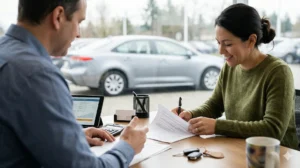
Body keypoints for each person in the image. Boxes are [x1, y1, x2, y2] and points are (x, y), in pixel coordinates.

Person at [0, 0, 148, 167]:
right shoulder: (37, 74)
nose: (78, 34)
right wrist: (127, 147)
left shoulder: (5, 52)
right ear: (58, 16)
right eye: (79, 21)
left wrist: (67, 138)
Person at [172, 3, 299, 150]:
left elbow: (272, 130)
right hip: (239, 149)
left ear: (251, 40)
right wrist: (190, 114)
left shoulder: (278, 72)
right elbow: (215, 105)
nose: (220, 51)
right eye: (218, 43)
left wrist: (217, 126)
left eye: (227, 44)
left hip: (277, 156)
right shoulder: (230, 67)